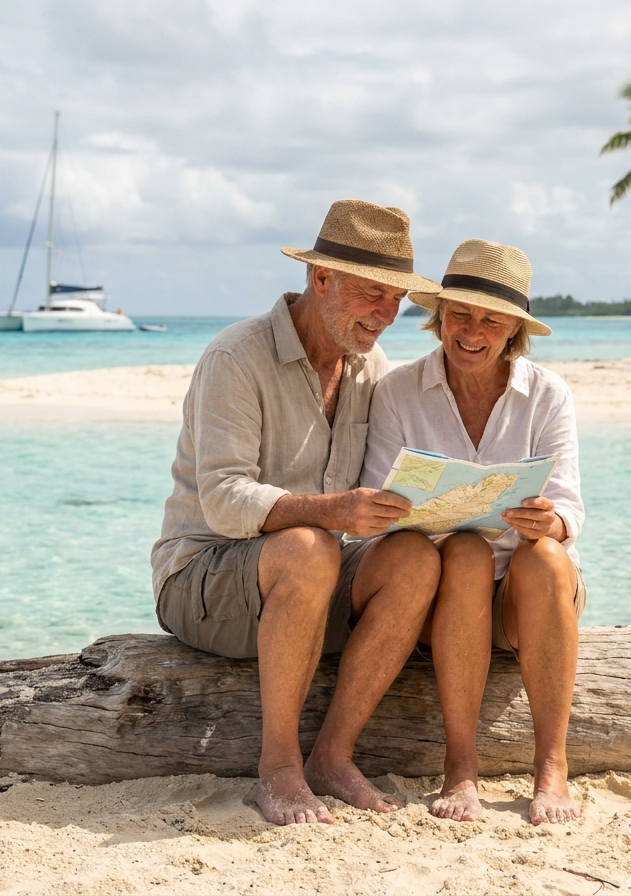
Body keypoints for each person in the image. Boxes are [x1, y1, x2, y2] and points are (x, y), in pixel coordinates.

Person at [151, 199, 444, 826]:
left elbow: (381, 486)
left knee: (416, 559)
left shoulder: (371, 369)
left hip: (310, 577)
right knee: (313, 546)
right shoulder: (237, 357)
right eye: (372, 295)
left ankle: (332, 758)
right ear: (321, 278)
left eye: (396, 301)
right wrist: (337, 510)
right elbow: (224, 499)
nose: (385, 316)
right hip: (200, 580)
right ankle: (279, 769)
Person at [360, 238, 587, 826]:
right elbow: (378, 508)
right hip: (440, 593)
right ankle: (460, 768)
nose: (471, 330)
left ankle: (552, 766)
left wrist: (550, 521)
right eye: (459, 313)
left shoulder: (547, 394)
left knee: (549, 555)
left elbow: (570, 509)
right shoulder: (398, 391)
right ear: (438, 318)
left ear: (515, 328)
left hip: (526, 596)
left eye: (491, 319)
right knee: (462, 549)